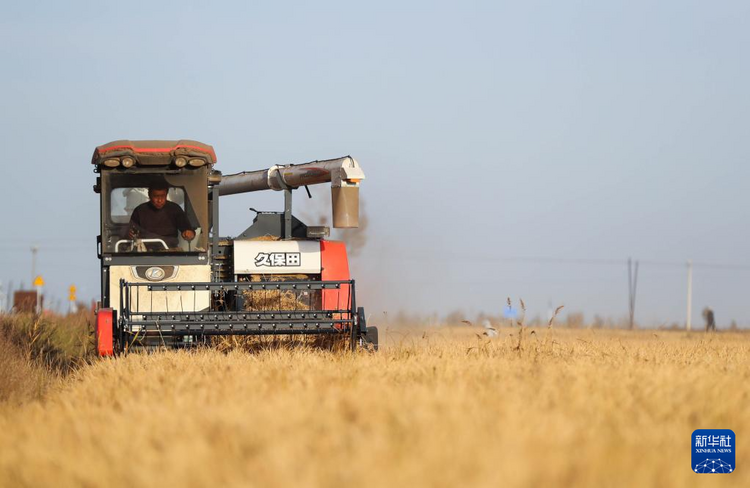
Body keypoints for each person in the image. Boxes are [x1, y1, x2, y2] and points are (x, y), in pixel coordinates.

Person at [128, 183, 195, 249]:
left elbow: (188, 230)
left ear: (166, 194)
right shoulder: (139, 211)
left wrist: (189, 234)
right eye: (156, 196)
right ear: (149, 195)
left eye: (163, 196)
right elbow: (130, 232)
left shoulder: (175, 209)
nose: (160, 200)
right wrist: (131, 234)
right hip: (144, 250)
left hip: (170, 250)